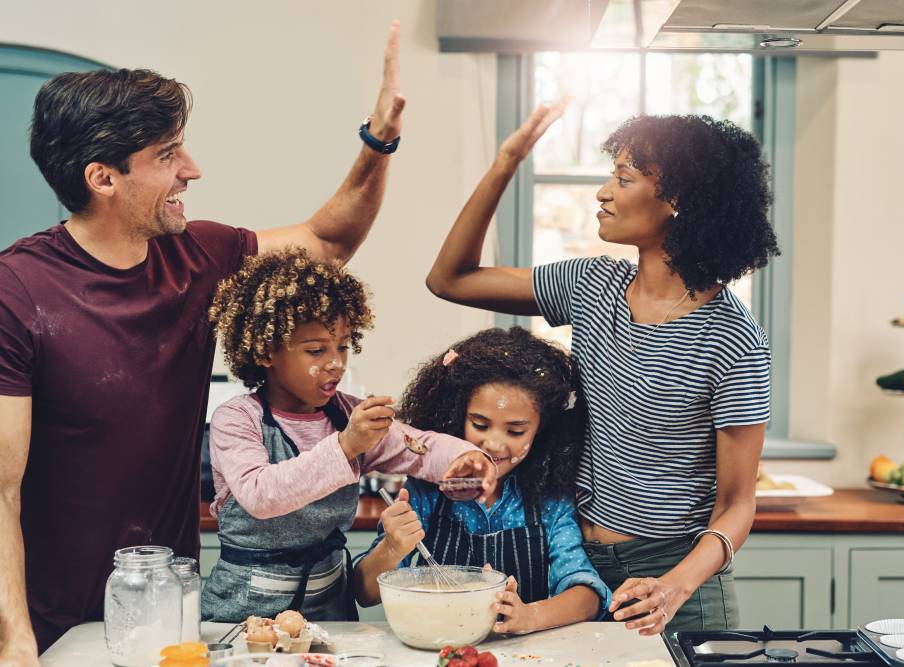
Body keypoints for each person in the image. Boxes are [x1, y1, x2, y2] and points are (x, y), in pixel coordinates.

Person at [0, 22, 406, 660]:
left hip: (169, 606)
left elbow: (329, 242)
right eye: (167, 156)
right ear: (103, 178)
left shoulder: (199, 254)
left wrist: (379, 140)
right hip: (50, 619)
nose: (192, 170)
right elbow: (1, 488)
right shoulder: (16, 289)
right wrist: (14, 639)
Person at [423, 106, 780, 635]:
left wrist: (675, 586)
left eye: (623, 178)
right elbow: (450, 279)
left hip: (670, 581)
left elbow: (736, 506)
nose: (603, 193)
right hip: (572, 571)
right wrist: (505, 163)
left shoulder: (732, 338)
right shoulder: (592, 285)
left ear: (676, 200)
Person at [199, 248, 495, 621]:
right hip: (242, 613)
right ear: (265, 351)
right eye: (315, 350)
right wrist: (346, 445)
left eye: (342, 346)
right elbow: (261, 495)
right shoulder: (237, 419)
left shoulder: (347, 415)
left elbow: (419, 446)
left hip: (330, 612)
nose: (336, 362)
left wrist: (466, 459)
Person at [353, 327, 612, 635]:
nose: (494, 444)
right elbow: (364, 592)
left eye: (515, 431)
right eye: (480, 424)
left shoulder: (548, 500)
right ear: (457, 415)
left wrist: (531, 616)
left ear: (542, 430)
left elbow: (588, 596)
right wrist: (392, 548)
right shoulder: (425, 490)